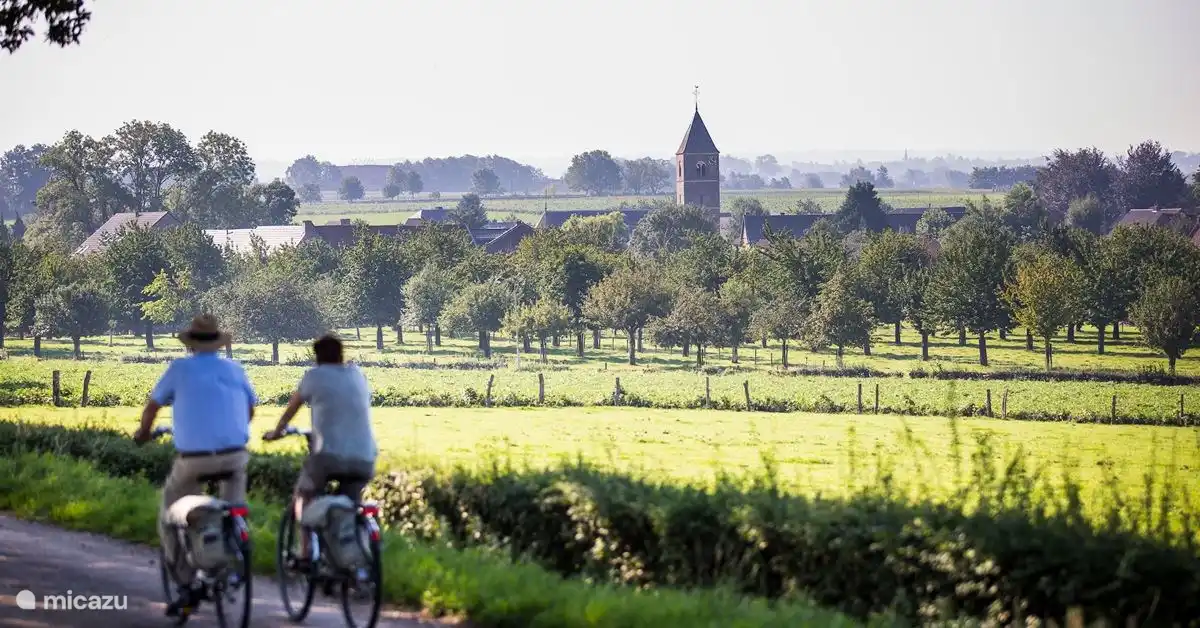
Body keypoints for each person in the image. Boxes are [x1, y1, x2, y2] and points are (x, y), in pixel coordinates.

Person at [133, 314, 256, 617]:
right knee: (233, 507)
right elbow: (251, 408)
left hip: (194, 461)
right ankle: (235, 553)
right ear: (218, 342)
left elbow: (152, 407)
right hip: (235, 455)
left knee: (170, 515)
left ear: (190, 344)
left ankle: (187, 585)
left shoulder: (179, 369)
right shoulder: (235, 368)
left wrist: (143, 434)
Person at [263, 333, 377, 565]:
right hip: (365, 456)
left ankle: (305, 553)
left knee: (303, 495)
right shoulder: (357, 375)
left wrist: (277, 432)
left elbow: (292, 408)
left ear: (316, 357)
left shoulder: (314, 376)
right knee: (352, 506)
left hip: (328, 456)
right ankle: (355, 563)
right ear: (341, 354)